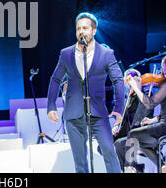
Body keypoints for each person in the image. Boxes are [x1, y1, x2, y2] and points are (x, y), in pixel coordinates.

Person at [47, 12, 125, 173]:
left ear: (94, 30)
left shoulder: (106, 54)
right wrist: (51, 105)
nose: (81, 32)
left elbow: (118, 80)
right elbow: (55, 79)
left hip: (98, 113)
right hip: (73, 114)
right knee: (80, 161)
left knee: (109, 152)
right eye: (78, 29)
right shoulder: (66, 53)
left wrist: (118, 108)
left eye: (85, 28)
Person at [121, 53, 166, 173]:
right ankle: (163, 167)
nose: (161, 71)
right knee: (142, 141)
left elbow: (150, 103)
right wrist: (153, 120)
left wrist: (136, 88)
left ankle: (128, 168)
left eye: (163, 68)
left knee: (133, 135)